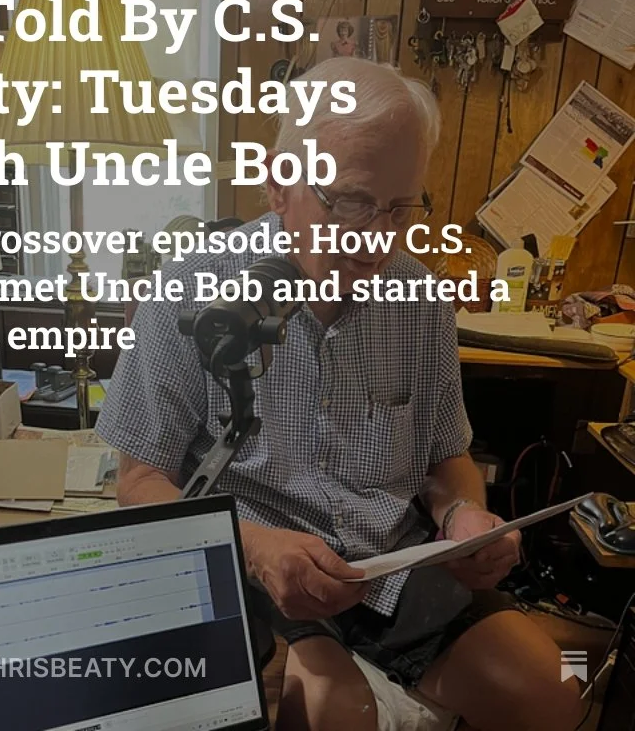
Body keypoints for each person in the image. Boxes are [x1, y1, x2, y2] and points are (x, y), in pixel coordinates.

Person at [96, 58, 584, 731]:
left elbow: (449, 462)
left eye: (400, 208)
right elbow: (138, 482)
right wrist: (262, 549)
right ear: (278, 187)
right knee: (337, 709)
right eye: (351, 202)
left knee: (558, 690)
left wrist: (465, 517)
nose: (376, 238)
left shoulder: (421, 301)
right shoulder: (190, 293)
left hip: (391, 563)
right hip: (256, 566)